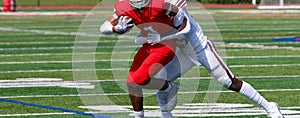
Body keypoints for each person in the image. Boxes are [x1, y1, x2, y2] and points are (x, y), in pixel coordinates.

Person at [131, 0, 284, 118]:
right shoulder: (149, 8)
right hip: (183, 51)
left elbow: (184, 29)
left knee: (230, 82)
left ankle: (270, 106)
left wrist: (158, 37)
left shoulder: (169, 5)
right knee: (163, 80)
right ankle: (166, 115)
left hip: (200, 47)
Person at [99, 0, 191, 117]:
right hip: (148, 45)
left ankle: (170, 87)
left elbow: (182, 19)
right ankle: (139, 116)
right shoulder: (124, 6)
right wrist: (115, 29)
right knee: (131, 82)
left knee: (139, 79)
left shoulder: (159, 4)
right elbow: (103, 28)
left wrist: (170, 35)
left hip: (165, 45)